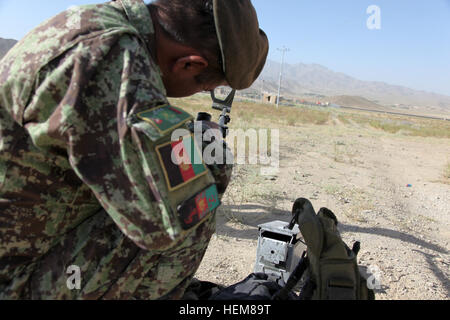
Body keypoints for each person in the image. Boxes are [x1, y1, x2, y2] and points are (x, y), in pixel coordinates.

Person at [0, 0, 268, 299]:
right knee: (195, 206)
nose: (201, 94)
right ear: (190, 64)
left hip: (28, 244)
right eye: (204, 88)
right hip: (16, 282)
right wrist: (211, 155)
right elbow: (167, 219)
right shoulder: (112, 59)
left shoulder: (100, 24)